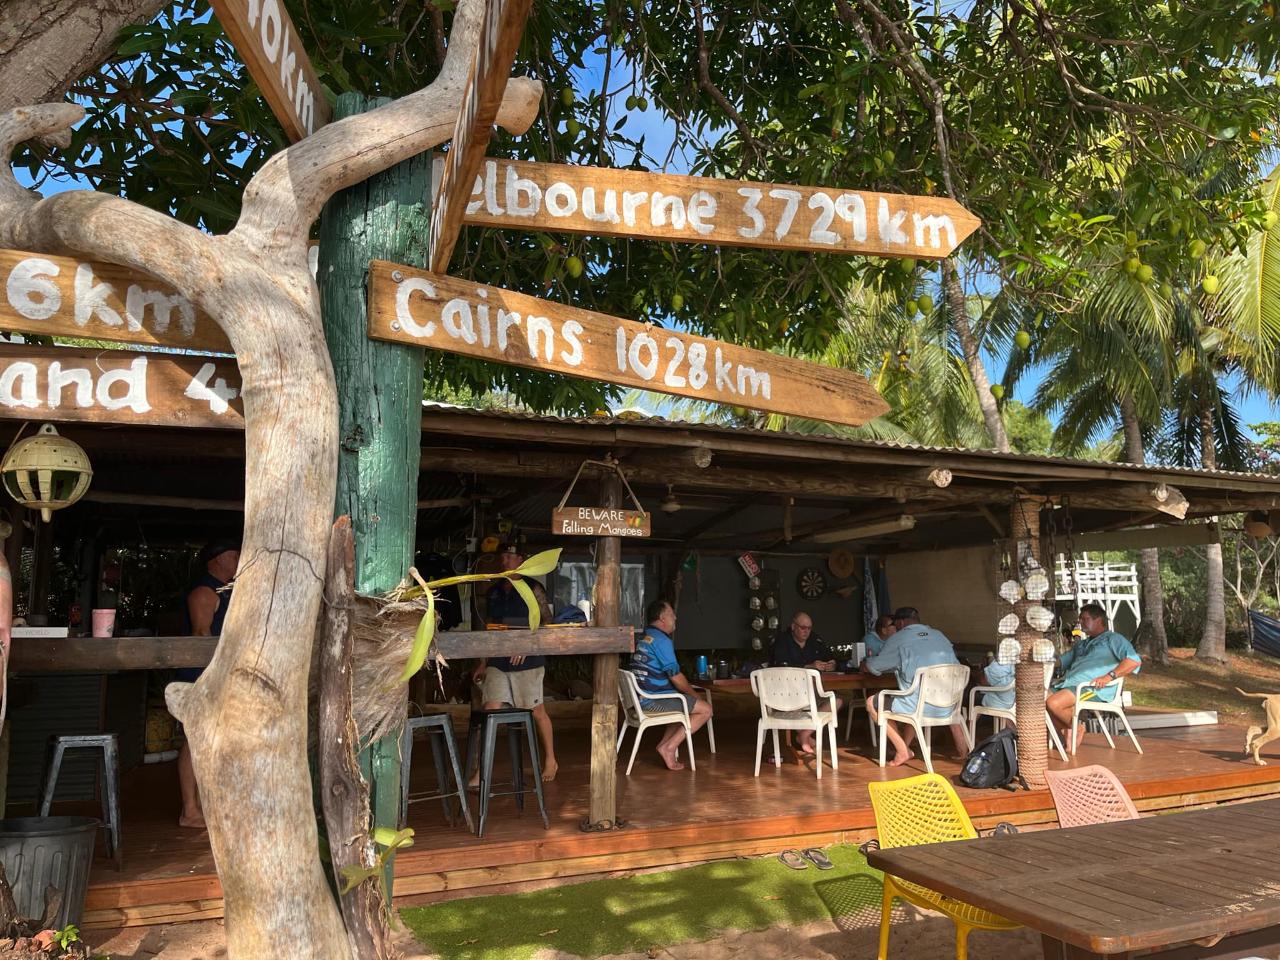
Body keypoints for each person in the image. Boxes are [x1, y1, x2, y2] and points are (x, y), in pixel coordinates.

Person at [472, 545, 558, 783]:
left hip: (528, 661)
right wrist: (482, 662)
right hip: (498, 660)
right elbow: (489, 628)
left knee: (536, 711)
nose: (505, 560)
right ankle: (481, 771)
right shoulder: (494, 591)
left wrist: (526, 645)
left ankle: (550, 759)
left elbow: (547, 624)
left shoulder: (534, 588)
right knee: (490, 711)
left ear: (522, 559)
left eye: (510, 556)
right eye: (503, 557)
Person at [178, 539, 240, 829]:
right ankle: (190, 810)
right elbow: (201, 637)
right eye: (233, 555)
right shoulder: (205, 592)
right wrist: (213, 680)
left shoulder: (227, 591)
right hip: (203, 677)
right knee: (196, 740)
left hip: (220, 676)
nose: (239, 559)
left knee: (216, 741)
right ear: (215, 561)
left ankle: (207, 805)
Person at [862, 606, 967, 766]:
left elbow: (874, 666)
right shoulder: (939, 635)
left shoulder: (899, 638)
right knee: (915, 695)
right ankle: (963, 752)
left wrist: (864, 664)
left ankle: (903, 750)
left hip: (919, 706)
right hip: (950, 705)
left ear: (901, 622)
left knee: (873, 703)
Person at [1046, 603, 1141, 751]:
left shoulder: (1113, 639)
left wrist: (1108, 677)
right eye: (1080, 619)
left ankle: (1076, 727)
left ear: (1098, 620)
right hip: (1067, 684)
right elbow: (1060, 662)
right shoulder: (1082, 644)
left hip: (1093, 688)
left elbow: (1134, 660)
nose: (1081, 623)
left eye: (1085, 619)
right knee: (1038, 702)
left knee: (1053, 703)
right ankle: (1070, 730)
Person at [630, 599, 713, 771]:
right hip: (652, 701)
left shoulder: (645, 637)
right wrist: (694, 695)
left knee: (683, 706)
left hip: (641, 698)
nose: (675, 617)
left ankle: (664, 746)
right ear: (662, 617)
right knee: (705, 710)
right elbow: (675, 677)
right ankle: (669, 747)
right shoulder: (661, 641)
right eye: (671, 614)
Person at [770, 612, 842, 755]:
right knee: (795, 710)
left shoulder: (815, 639)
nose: (806, 631)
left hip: (811, 694)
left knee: (837, 701)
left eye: (809, 628)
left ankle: (804, 735)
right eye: (803, 627)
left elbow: (831, 657)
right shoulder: (782, 640)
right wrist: (809, 666)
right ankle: (803, 737)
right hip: (786, 696)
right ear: (793, 626)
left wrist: (832, 664)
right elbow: (780, 665)